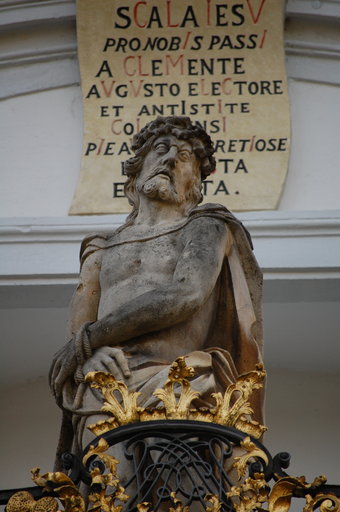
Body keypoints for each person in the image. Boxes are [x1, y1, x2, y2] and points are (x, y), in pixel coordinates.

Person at [50, 116, 264, 470]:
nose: (169, 161)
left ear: (195, 181)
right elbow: (78, 326)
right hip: (106, 381)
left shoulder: (207, 226)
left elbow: (184, 296)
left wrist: (87, 342)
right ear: (137, 170)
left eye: (183, 157)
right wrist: (88, 356)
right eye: (160, 151)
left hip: (180, 376)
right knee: (112, 486)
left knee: (179, 486)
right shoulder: (101, 247)